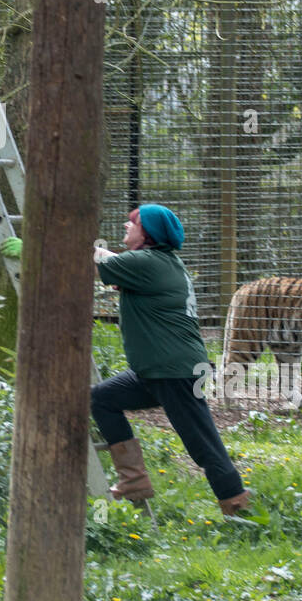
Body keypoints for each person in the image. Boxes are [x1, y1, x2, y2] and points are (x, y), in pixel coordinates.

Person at [91, 204, 251, 517]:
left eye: (133, 222)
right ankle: (133, 481)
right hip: (156, 371)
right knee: (101, 399)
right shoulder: (159, 263)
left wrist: (36, 247)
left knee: (201, 442)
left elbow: (95, 259)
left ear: (147, 234)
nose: (126, 225)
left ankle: (237, 505)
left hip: (174, 371)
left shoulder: (148, 262)